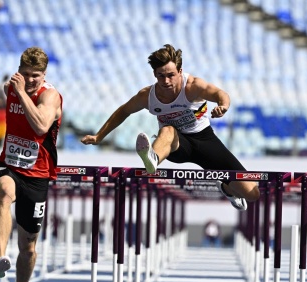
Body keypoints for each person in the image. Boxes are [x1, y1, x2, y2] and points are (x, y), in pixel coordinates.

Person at [80, 44, 259, 210]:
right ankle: (153, 159)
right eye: (160, 76)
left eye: (171, 75)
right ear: (154, 75)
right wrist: (99, 136)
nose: (166, 81)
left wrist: (223, 106)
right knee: (167, 130)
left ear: (180, 71)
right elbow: (123, 111)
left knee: (252, 194)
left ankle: (227, 188)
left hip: (205, 140)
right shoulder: (147, 96)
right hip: (176, 145)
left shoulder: (193, 86)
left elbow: (221, 94)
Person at [0, 47, 62, 282]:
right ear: (19, 69)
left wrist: (21, 92)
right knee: (5, 194)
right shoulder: (11, 85)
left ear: (44, 75)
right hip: (8, 164)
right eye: (26, 74)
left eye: (36, 76)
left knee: (29, 246)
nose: (30, 80)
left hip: (38, 173)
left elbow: (41, 126)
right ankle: (0, 258)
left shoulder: (49, 95)